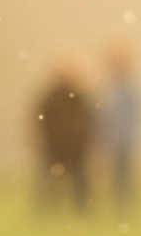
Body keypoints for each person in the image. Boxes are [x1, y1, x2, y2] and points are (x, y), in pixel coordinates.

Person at [34, 61, 97, 212]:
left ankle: (82, 210)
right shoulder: (52, 98)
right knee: (51, 182)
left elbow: (89, 123)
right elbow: (41, 123)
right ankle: (48, 209)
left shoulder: (78, 98)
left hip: (74, 149)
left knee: (79, 183)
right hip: (56, 147)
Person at [101, 43, 141, 213]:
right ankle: (119, 207)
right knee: (115, 177)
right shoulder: (110, 89)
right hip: (113, 140)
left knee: (124, 176)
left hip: (125, 140)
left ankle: (124, 208)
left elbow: (134, 117)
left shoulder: (130, 89)